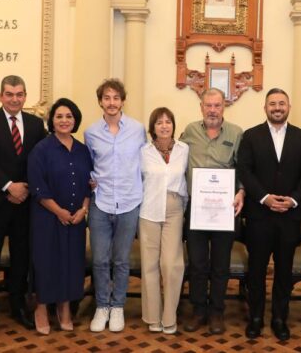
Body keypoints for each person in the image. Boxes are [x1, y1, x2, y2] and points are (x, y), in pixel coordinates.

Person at [0, 76, 47, 340]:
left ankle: (17, 306)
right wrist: (8, 186)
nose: (14, 99)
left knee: (21, 259)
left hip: (24, 204)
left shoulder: (37, 124)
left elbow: (41, 159)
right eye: (9, 94)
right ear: (0, 96)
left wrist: (24, 189)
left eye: (19, 94)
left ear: (26, 96)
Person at [238, 88, 301, 341]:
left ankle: (280, 318)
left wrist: (292, 200)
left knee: (284, 272)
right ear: (265, 108)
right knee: (256, 271)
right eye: (273, 104)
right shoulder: (250, 136)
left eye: (282, 103)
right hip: (260, 216)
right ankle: (256, 318)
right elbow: (245, 171)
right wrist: (265, 198)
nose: (277, 107)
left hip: (289, 218)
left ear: (289, 107)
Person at [179, 88, 244, 334]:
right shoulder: (189, 132)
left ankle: (217, 312)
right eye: (208, 106)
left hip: (224, 210)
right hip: (196, 210)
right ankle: (198, 310)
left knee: (220, 264)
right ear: (201, 108)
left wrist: (241, 191)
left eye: (217, 105)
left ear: (224, 107)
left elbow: (243, 168)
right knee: (197, 263)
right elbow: (177, 163)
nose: (213, 110)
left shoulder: (236, 133)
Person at [84, 78, 146, 333]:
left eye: (116, 98)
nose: (112, 103)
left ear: (122, 101)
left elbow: (145, 163)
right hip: (101, 203)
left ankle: (118, 305)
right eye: (107, 98)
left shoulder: (138, 129)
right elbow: (86, 164)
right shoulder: (91, 132)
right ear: (100, 101)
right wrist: (90, 182)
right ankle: (102, 306)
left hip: (129, 202)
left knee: (121, 260)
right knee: (99, 259)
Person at [27, 98, 92, 335]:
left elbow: (89, 184)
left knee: (71, 264)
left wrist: (83, 209)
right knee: (47, 263)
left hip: (76, 218)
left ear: (75, 121)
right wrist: (59, 211)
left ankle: (64, 309)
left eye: (69, 117)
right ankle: (42, 308)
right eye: (59, 116)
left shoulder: (83, 150)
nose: (64, 121)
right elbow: (37, 186)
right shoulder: (41, 150)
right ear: (52, 120)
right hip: (47, 217)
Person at [139, 107, 188, 334]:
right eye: (159, 122)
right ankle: (153, 316)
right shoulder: (143, 152)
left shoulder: (184, 150)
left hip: (174, 210)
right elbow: (136, 180)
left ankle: (169, 316)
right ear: (153, 127)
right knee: (149, 265)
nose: (164, 126)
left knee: (171, 264)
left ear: (173, 125)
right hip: (149, 210)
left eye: (168, 121)